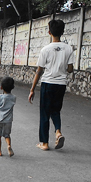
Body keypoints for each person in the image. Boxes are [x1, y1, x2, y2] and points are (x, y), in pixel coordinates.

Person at [28, 19, 74, 151]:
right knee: (55, 110)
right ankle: (58, 132)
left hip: (47, 83)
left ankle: (44, 143)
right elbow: (70, 69)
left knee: (44, 113)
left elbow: (39, 71)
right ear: (62, 32)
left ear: (49, 32)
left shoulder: (45, 50)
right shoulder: (68, 48)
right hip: (61, 84)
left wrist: (32, 89)